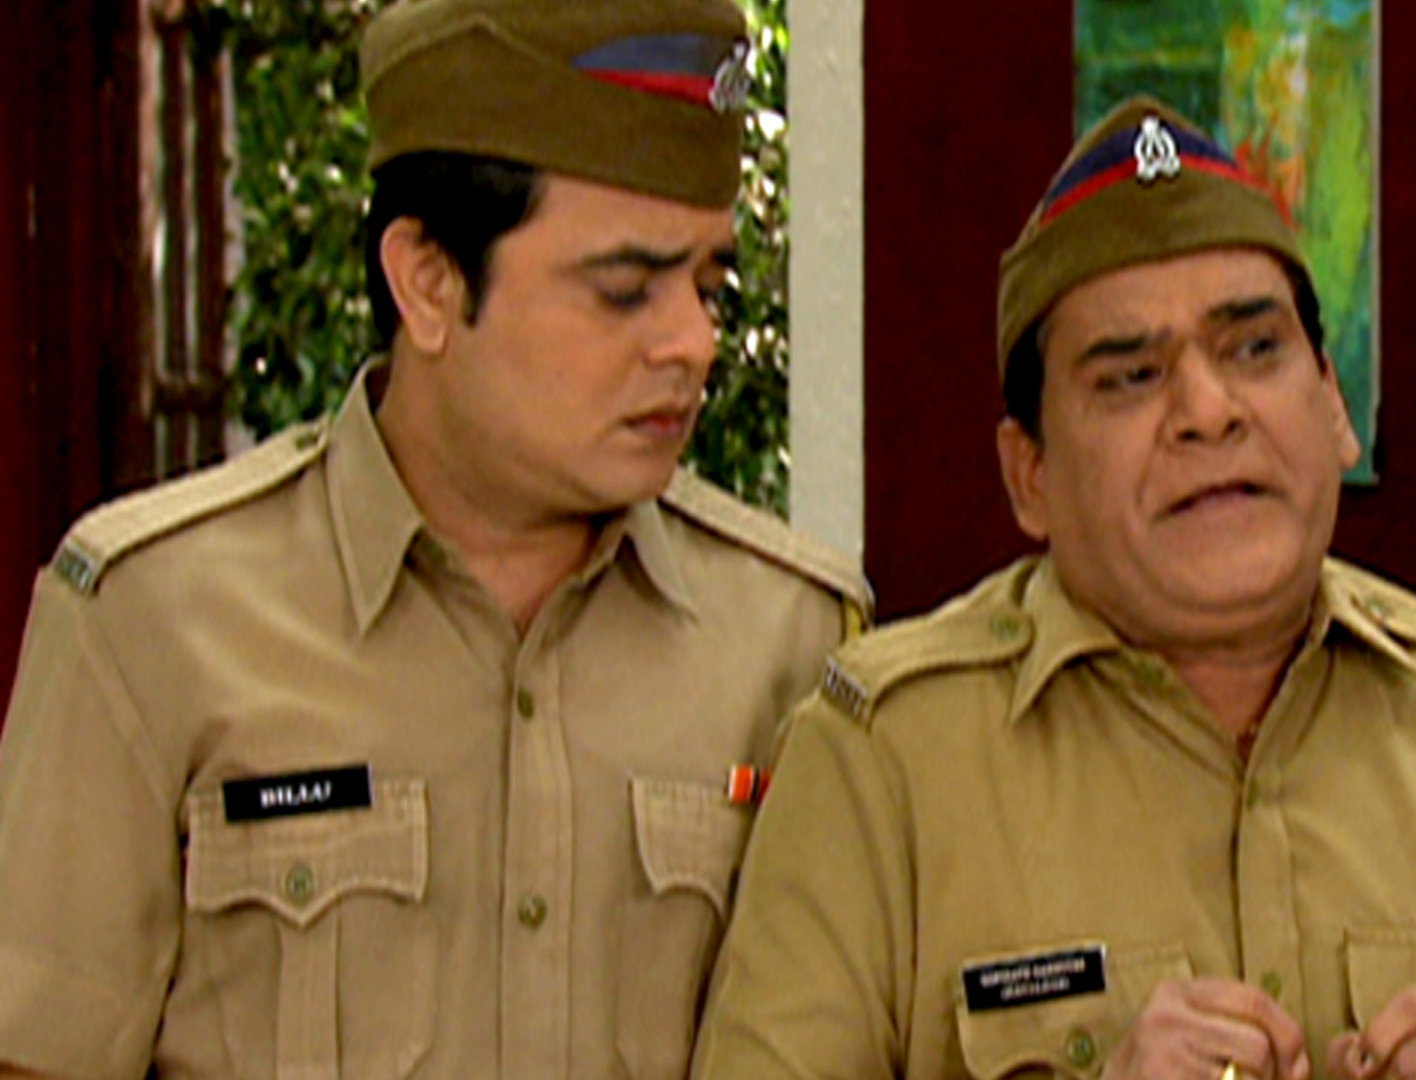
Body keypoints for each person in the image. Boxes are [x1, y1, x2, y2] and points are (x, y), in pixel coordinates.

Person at [691, 96, 1416, 1080]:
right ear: (1030, 475)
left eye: (1255, 349)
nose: (1209, 410)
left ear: (1333, 406)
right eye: (1132, 375)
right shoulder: (885, 758)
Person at [0, 0, 868, 1076]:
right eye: (624, 291)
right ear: (428, 280)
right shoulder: (156, 619)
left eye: (708, 288)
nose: (691, 343)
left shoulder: (791, 637)